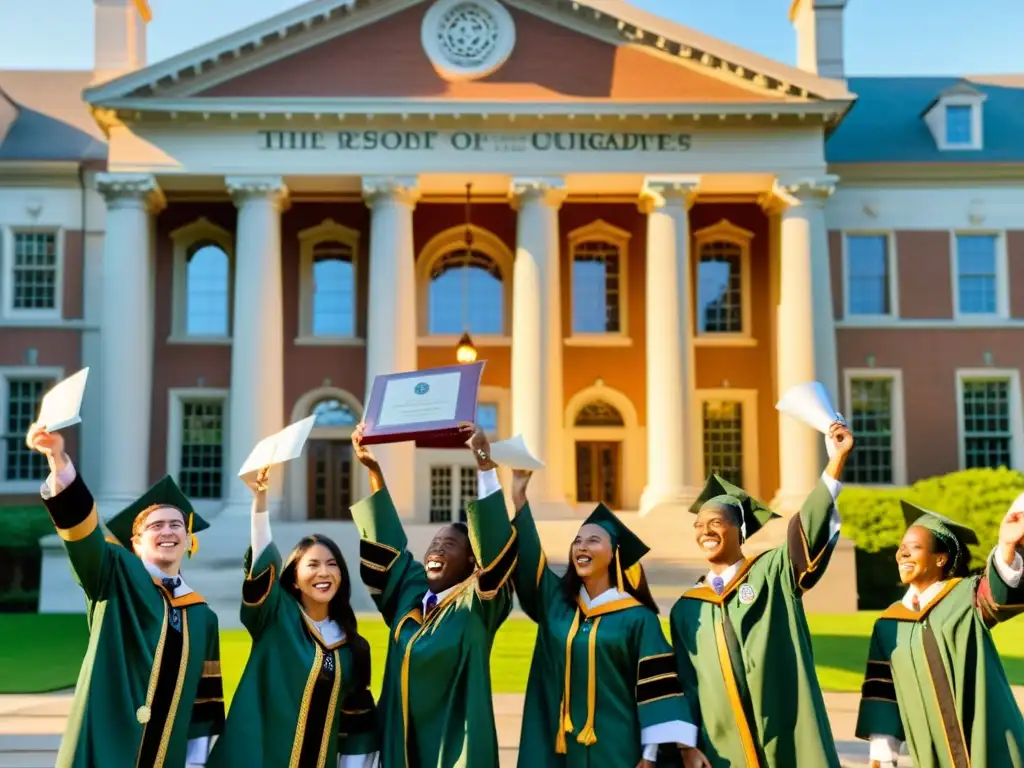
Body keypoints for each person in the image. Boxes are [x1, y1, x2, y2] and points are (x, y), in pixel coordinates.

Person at [26, 424, 224, 768]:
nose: (167, 531)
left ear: (188, 539)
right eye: (156, 526)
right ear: (135, 542)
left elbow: (204, 704)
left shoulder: (202, 616)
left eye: (176, 525)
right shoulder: (114, 574)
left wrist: (195, 762)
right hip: (106, 750)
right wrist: (59, 462)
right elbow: (83, 539)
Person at [667, 422, 854, 767]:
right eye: (699, 525)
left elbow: (807, 533)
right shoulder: (687, 609)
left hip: (784, 733)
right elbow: (683, 685)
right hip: (721, 747)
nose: (705, 531)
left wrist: (834, 464)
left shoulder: (772, 573)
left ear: (739, 530)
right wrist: (687, 746)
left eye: (716, 522)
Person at [509, 468, 708, 768]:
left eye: (593, 540)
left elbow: (657, 689)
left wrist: (649, 755)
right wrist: (519, 499)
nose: (582, 547)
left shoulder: (638, 619)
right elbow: (529, 562)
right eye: (577, 541)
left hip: (619, 748)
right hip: (561, 750)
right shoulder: (558, 606)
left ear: (614, 555)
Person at [350, 422, 517, 768]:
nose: (436, 549)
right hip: (399, 743)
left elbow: (497, 553)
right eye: (434, 543)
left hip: (454, 746)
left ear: (472, 560)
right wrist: (375, 472)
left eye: (450, 544)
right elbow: (388, 545)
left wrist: (484, 461)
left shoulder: (478, 604)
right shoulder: (410, 593)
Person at [207, 466, 379, 768]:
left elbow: (355, 728)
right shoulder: (276, 620)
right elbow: (263, 565)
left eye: (332, 564)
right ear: (295, 578)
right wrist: (260, 502)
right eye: (312, 565)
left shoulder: (353, 647)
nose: (324, 572)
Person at [856, 499, 1024, 768]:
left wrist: (1006, 545)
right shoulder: (889, 624)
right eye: (901, 549)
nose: (903, 555)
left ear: (941, 558)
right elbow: (883, 693)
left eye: (914, 548)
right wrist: (883, 755)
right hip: (932, 754)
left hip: (991, 747)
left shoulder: (966, 597)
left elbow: (998, 594)